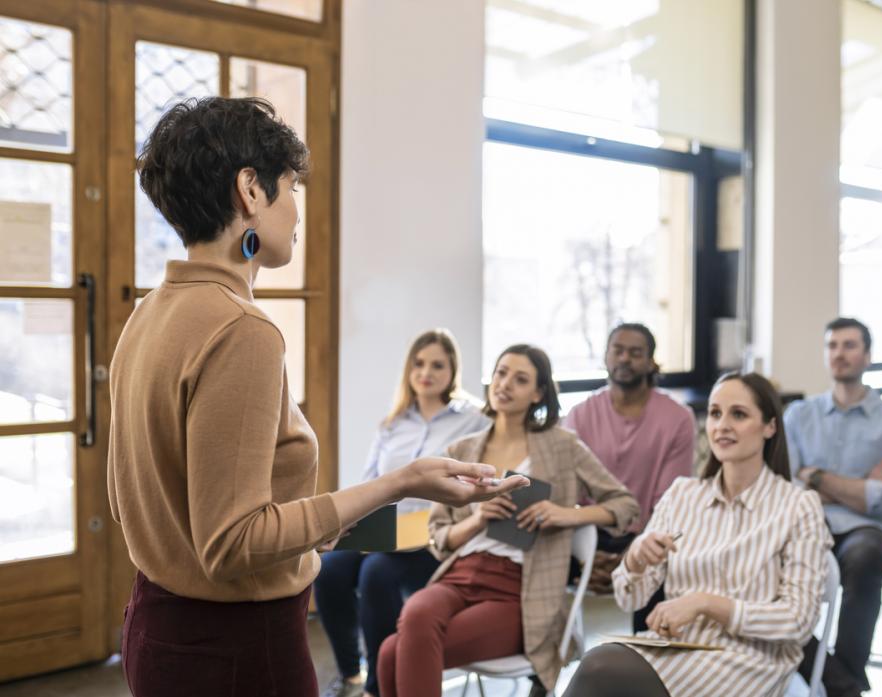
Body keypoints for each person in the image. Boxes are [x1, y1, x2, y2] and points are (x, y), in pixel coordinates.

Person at [107, 97, 527, 697]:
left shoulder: (149, 313)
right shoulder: (241, 330)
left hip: (155, 627)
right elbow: (233, 543)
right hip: (238, 650)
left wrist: (322, 523)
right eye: (291, 187)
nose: (298, 209)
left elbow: (130, 502)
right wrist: (399, 482)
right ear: (250, 190)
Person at [377, 344, 640, 697]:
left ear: (538, 393)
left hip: (520, 591)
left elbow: (625, 505)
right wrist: (477, 519)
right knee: (415, 615)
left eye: (520, 379)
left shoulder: (563, 446)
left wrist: (566, 515)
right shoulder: (462, 450)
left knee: (391, 652)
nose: (505, 384)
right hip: (459, 575)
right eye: (501, 373)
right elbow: (438, 537)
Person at [562, 372, 832, 697]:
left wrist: (705, 603)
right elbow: (629, 598)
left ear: (770, 427)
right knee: (599, 665)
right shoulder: (682, 495)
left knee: (601, 671)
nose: (722, 425)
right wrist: (634, 560)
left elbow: (798, 621)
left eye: (739, 414)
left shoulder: (798, 506)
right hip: (676, 647)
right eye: (716, 413)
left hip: (749, 660)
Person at [314, 329, 489, 697]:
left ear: (452, 370)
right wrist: (346, 525)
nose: (426, 372)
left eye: (437, 365)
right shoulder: (392, 423)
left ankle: (379, 688)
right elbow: (370, 483)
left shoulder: (474, 420)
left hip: (433, 537)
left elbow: (479, 485)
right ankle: (351, 676)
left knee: (375, 573)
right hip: (387, 530)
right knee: (328, 570)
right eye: (419, 363)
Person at [786, 317, 882, 697]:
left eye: (849, 345)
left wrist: (817, 477)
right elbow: (789, 489)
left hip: (865, 529)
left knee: (867, 556)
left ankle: (843, 676)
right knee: (759, 563)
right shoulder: (799, 415)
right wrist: (861, 484)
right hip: (807, 524)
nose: (839, 354)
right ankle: (842, 683)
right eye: (832, 346)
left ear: (868, 356)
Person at [562, 322, 694, 628]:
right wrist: (586, 555)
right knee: (537, 556)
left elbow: (669, 501)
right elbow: (570, 494)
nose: (624, 359)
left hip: (647, 534)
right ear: (606, 356)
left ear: (650, 362)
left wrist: (630, 555)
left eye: (635, 353)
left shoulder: (678, 418)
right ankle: (548, 662)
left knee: (661, 565)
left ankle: (649, 658)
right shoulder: (580, 414)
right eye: (617, 351)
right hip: (588, 532)